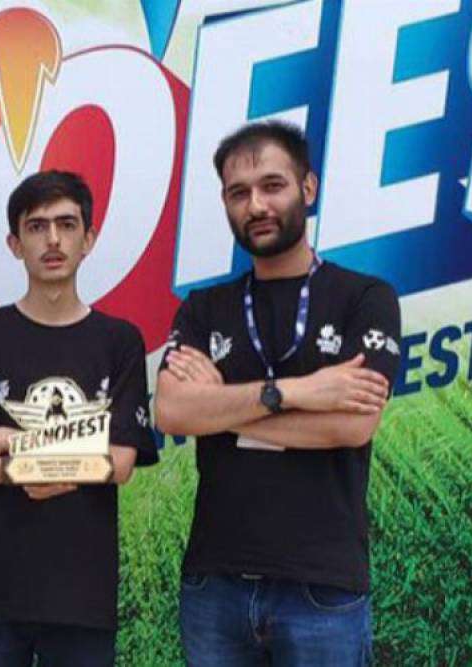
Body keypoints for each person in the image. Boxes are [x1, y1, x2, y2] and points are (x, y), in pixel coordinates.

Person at [155, 121, 401, 666]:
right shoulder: (204, 308)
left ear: (307, 188)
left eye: (272, 185)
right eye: (238, 193)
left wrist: (221, 409)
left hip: (322, 586)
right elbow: (171, 411)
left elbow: (352, 425)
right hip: (215, 582)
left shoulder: (365, 297)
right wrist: (297, 391)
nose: (256, 206)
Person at [0, 170, 158, 666]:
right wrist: (59, 458)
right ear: (15, 244)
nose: (53, 239)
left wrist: (6, 443)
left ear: (89, 239)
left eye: (67, 224)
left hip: (82, 595)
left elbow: (119, 462)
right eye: (37, 227)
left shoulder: (119, 341)